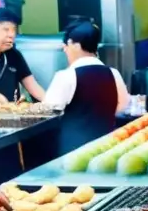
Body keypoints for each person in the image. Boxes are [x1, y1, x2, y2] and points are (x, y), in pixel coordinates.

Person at [44, 21, 129, 155]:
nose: (65, 51)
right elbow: (123, 106)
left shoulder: (67, 76)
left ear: (73, 44)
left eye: (65, 47)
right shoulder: (113, 73)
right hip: (107, 148)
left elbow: (48, 111)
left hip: (74, 150)